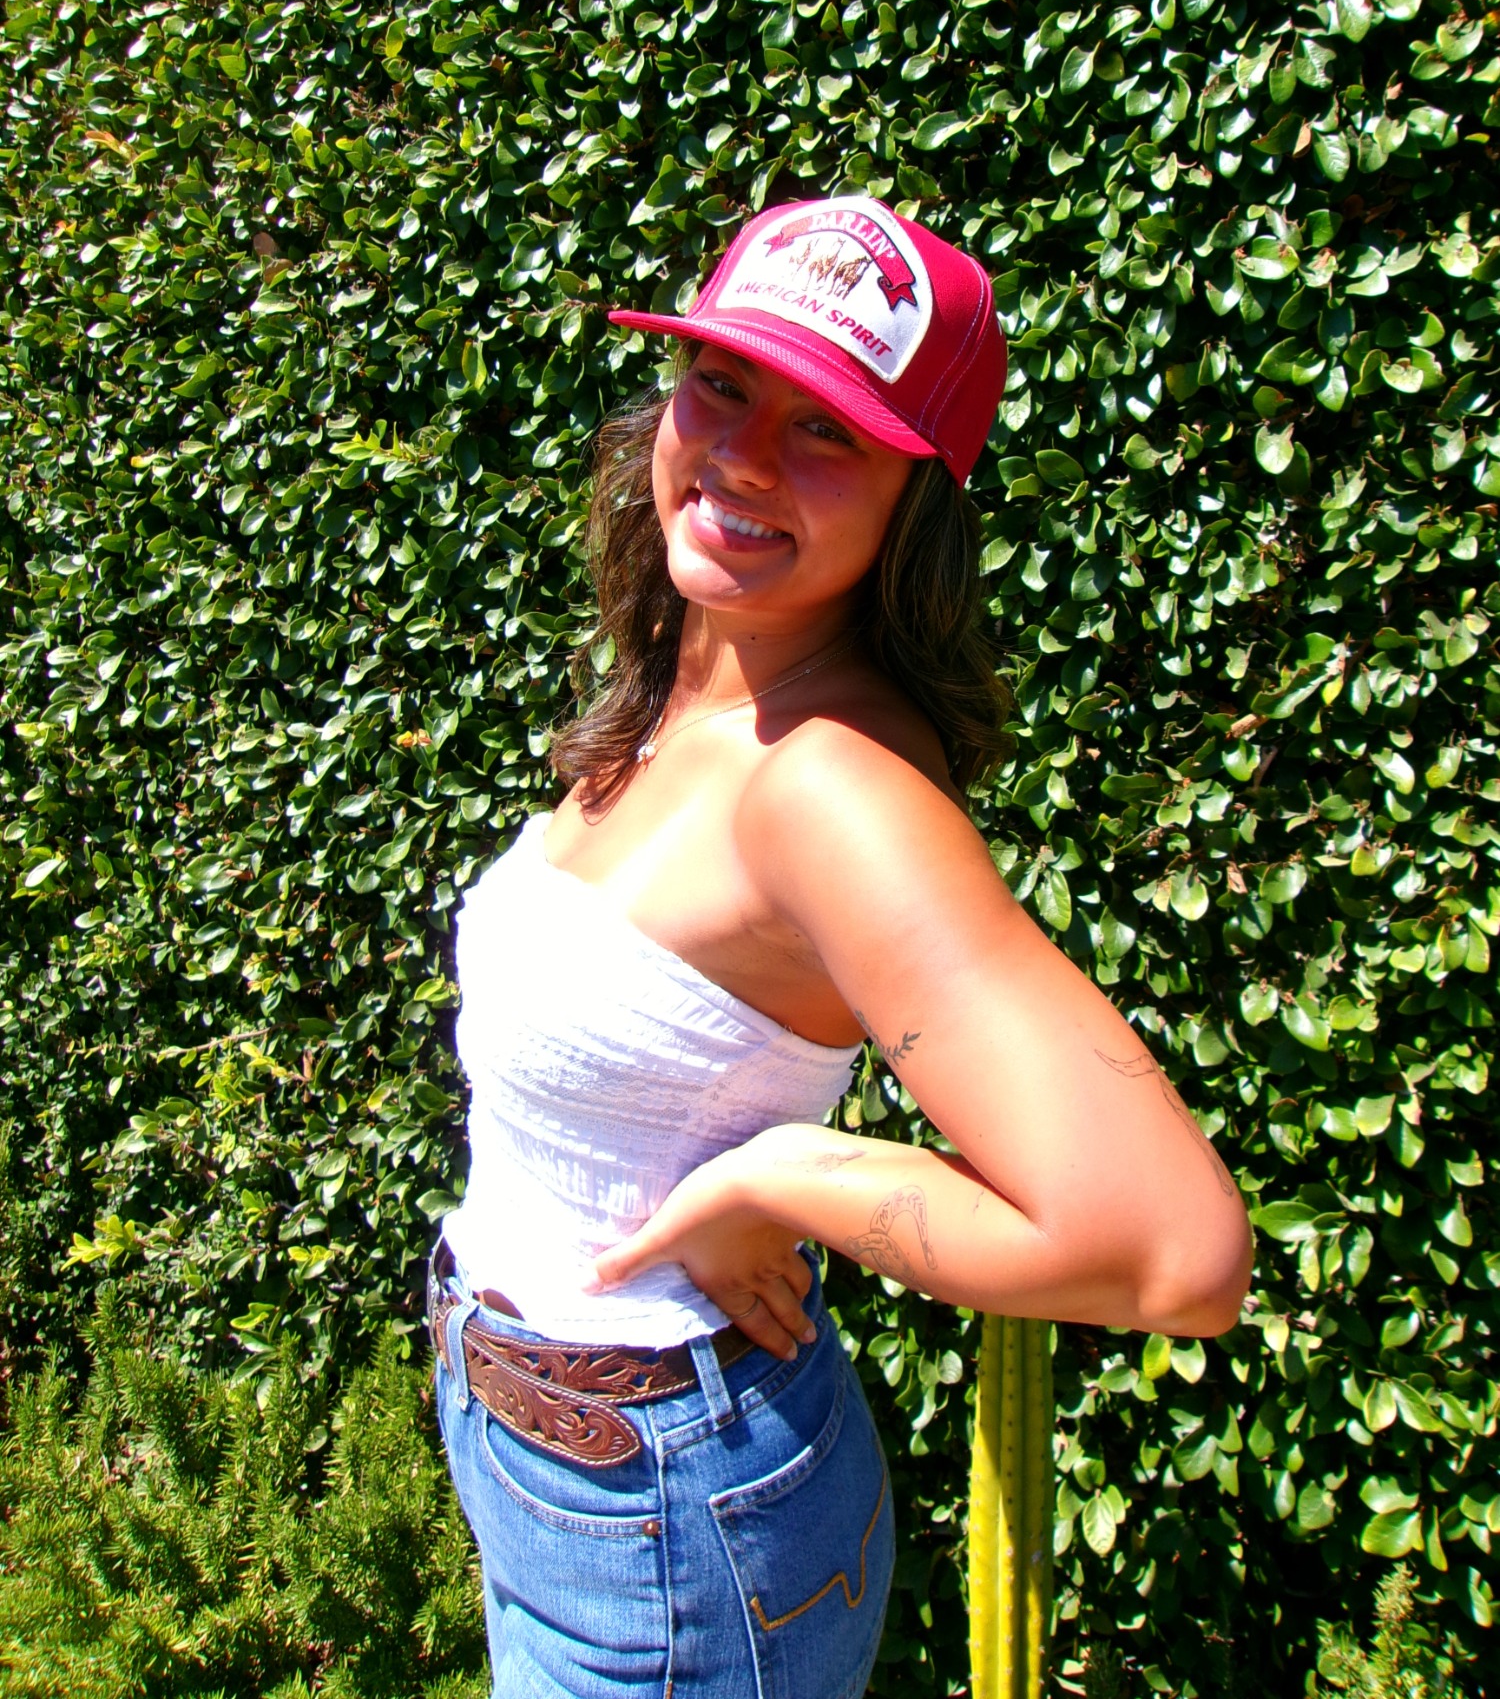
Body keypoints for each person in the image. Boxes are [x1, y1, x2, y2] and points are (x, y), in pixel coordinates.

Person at [429, 195, 1253, 1699]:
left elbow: (1175, 1255)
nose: (743, 455)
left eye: (827, 430)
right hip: (546, 1452)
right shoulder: (690, 689)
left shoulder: (833, 792)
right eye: (722, 384)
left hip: (669, 1518)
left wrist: (779, 1178)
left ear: (915, 501)